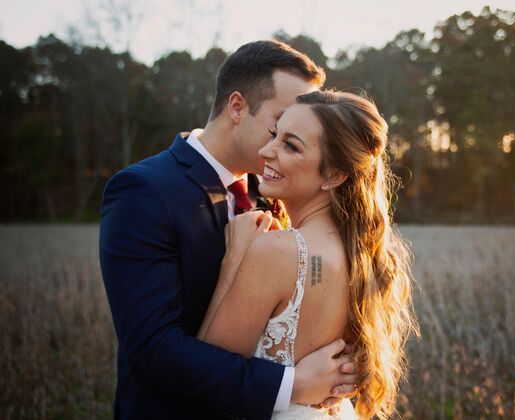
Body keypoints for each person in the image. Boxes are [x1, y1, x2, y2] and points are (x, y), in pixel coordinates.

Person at [99, 41, 358, 420]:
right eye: (279, 125)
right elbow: (152, 350)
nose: (283, 140)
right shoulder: (144, 191)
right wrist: (292, 385)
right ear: (237, 107)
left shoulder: (276, 188)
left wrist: (344, 366)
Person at [196, 90, 419, 419]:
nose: (266, 151)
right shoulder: (362, 254)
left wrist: (232, 263)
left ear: (333, 175)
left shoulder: (276, 252)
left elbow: (203, 380)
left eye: (290, 146)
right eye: (275, 134)